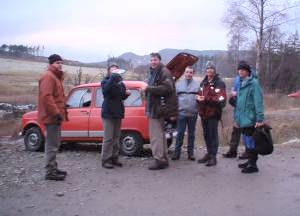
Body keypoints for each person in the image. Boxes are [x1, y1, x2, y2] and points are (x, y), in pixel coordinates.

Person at [141, 52, 178, 170]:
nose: (153, 62)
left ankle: (159, 160)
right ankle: (163, 159)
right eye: (151, 60)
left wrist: (148, 88)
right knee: (160, 136)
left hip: (158, 109)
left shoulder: (163, 71)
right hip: (155, 108)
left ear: (159, 60)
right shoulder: (154, 72)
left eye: (155, 60)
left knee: (156, 136)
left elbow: (168, 88)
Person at [38, 54, 68, 181]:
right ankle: (50, 171)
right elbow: (46, 97)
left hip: (55, 116)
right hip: (52, 116)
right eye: (57, 62)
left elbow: (57, 97)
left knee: (55, 143)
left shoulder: (56, 77)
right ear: (51, 64)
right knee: (51, 144)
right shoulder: (48, 76)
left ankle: (53, 168)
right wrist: (56, 113)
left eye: (61, 62)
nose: (60, 64)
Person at [234, 61, 264, 173]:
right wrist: (237, 119)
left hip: (251, 118)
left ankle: (253, 165)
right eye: (239, 70)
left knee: (251, 141)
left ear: (247, 72)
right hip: (243, 119)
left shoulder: (254, 83)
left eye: (243, 70)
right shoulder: (241, 83)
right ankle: (249, 161)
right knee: (247, 141)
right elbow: (239, 103)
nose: (240, 71)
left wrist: (260, 119)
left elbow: (258, 101)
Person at [196, 61, 227, 166]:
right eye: (208, 68)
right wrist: (198, 98)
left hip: (213, 114)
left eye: (211, 68)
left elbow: (222, 100)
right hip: (204, 114)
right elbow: (200, 94)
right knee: (206, 135)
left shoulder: (219, 83)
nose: (209, 70)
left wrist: (206, 99)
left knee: (213, 136)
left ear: (214, 70)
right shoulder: (203, 83)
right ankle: (209, 154)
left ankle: (213, 157)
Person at [101, 64, 131, 169]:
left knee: (116, 137)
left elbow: (121, 96)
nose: (114, 72)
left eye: (116, 70)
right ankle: (105, 160)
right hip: (108, 113)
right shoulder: (105, 81)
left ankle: (114, 158)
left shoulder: (121, 84)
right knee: (108, 138)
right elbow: (105, 91)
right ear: (109, 72)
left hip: (118, 113)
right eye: (112, 70)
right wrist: (113, 77)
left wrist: (127, 94)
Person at [171, 66, 200, 161]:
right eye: (187, 72)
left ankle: (190, 154)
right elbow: (174, 99)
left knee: (191, 134)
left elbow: (200, 99)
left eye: (190, 72)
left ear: (193, 74)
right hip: (181, 113)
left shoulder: (197, 85)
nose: (188, 74)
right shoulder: (178, 84)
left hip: (193, 114)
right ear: (184, 73)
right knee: (180, 134)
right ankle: (176, 153)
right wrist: (174, 113)